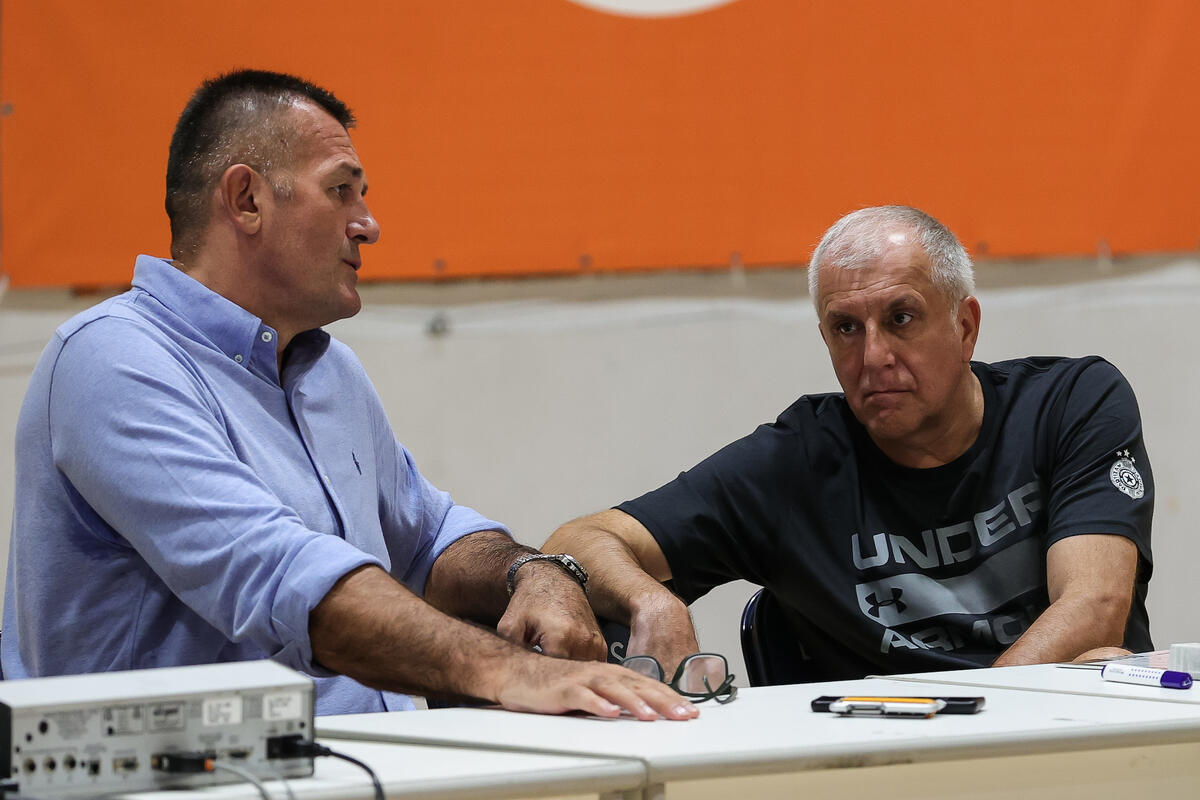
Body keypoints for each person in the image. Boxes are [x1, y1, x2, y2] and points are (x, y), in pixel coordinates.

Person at [1, 69, 698, 721]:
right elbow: (281, 577)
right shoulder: (112, 360)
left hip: (368, 772)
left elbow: (429, 539)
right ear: (246, 200)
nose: (368, 224)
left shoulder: (327, 368)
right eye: (341, 190)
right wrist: (512, 672)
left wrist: (532, 570)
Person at [546, 205, 1153, 682]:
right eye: (846, 328)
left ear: (965, 325)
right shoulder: (797, 462)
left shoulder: (1072, 404)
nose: (873, 357)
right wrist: (655, 604)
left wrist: (975, 723)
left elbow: (1094, 606)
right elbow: (578, 542)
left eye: (901, 318)